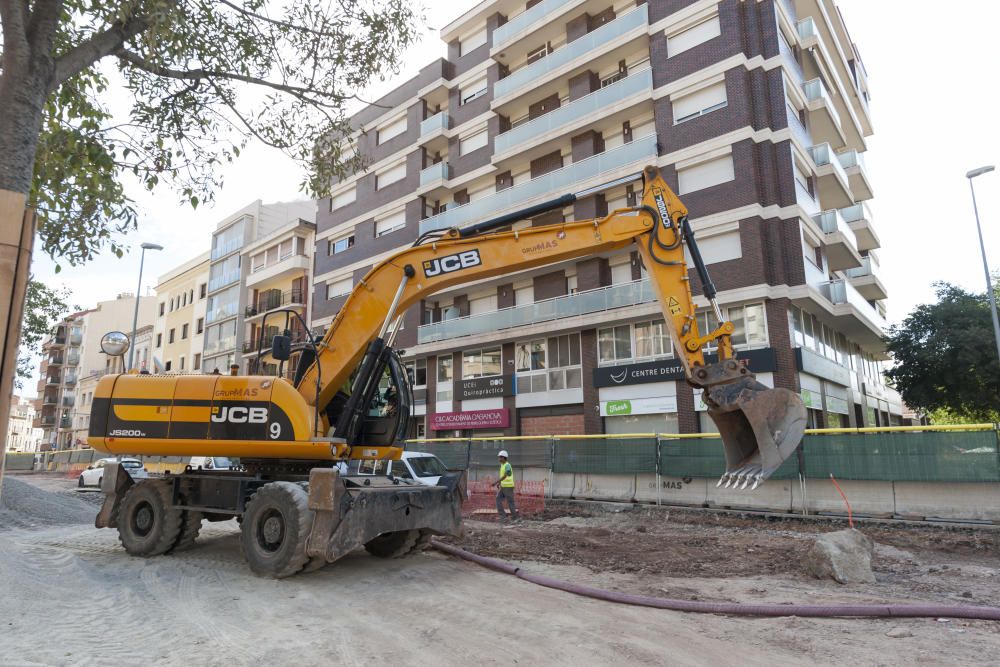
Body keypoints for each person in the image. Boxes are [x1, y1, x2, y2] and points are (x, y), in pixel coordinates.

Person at [494, 450, 518, 522]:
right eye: (499, 457)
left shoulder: (507, 465)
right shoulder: (502, 465)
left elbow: (506, 475)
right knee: (498, 499)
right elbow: (503, 476)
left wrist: (496, 482)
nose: (499, 459)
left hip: (508, 487)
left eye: (500, 457)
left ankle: (515, 517)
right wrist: (499, 484)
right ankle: (503, 515)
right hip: (503, 486)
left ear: (504, 458)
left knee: (510, 502)